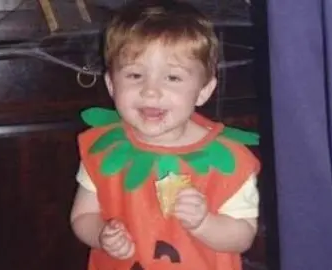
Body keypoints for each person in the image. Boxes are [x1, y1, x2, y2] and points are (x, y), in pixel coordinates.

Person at [70, 1, 260, 269]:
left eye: (172, 78)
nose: (151, 91)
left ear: (204, 90)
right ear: (111, 85)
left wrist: (205, 223)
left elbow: (243, 236)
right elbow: (83, 216)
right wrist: (101, 235)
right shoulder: (103, 149)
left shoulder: (231, 162)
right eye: (135, 75)